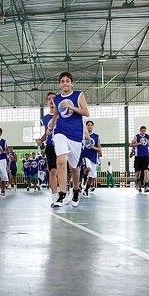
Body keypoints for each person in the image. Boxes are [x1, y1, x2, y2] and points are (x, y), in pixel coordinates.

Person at [51, 72, 90, 207]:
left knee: (74, 167)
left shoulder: (78, 95)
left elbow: (86, 112)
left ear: (71, 83)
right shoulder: (56, 99)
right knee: (61, 161)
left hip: (75, 134)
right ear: (59, 84)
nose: (65, 83)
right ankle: (62, 194)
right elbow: (56, 113)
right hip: (60, 131)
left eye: (67, 81)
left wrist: (71, 107)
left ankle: (76, 190)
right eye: (62, 81)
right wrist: (51, 126)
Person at [39, 92, 59, 201]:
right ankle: (54, 195)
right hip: (50, 146)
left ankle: (65, 190)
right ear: (47, 102)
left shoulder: (62, 115)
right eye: (49, 99)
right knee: (52, 171)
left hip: (62, 145)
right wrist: (40, 140)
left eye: (53, 98)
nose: (51, 100)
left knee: (63, 171)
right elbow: (45, 133)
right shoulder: (45, 118)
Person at [81, 120, 100, 198]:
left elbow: (99, 149)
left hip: (93, 157)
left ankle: (86, 190)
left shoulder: (96, 136)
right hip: (85, 155)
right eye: (88, 125)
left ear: (93, 126)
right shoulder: (82, 135)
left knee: (92, 176)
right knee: (88, 168)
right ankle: (84, 180)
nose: (90, 126)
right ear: (86, 126)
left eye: (91, 125)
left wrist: (93, 147)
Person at [130, 125, 149, 193]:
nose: (143, 132)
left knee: (146, 171)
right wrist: (139, 143)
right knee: (138, 172)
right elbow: (131, 145)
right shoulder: (136, 137)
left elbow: (147, 142)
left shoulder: (147, 136)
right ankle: (137, 183)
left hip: (145, 156)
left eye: (145, 131)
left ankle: (146, 186)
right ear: (140, 130)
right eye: (142, 131)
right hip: (138, 156)